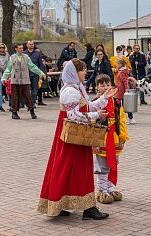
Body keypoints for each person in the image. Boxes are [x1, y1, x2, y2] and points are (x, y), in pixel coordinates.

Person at [37, 58, 116, 219]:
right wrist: (96, 115)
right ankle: (87, 208)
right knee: (76, 169)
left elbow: (86, 107)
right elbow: (73, 116)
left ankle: (64, 204)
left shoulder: (76, 88)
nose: (85, 72)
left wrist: (104, 99)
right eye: (82, 70)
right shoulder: (70, 91)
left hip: (75, 137)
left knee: (68, 169)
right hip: (72, 137)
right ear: (74, 72)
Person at [93, 74, 129, 204]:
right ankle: (102, 190)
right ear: (97, 87)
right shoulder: (94, 104)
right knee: (102, 166)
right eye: (102, 85)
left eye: (108, 84)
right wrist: (94, 143)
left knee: (113, 164)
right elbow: (91, 123)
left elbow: (122, 121)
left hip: (114, 139)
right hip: (102, 139)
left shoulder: (117, 102)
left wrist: (122, 138)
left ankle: (110, 187)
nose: (106, 87)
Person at [2, 43, 45, 120]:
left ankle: (32, 111)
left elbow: (32, 67)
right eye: (19, 48)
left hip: (25, 80)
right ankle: (14, 112)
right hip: (15, 80)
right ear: (16, 49)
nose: (21, 49)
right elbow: (8, 69)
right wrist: (4, 77)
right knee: (15, 97)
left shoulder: (26, 57)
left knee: (28, 96)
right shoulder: (12, 58)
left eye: (22, 48)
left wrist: (40, 73)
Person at [114, 58, 137, 125]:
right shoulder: (123, 71)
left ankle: (129, 119)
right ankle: (129, 118)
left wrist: (127, 90)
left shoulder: (122, 72)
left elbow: (125, 82)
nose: (116, 65)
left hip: (121, 91)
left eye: (117, 64)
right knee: (124, 105)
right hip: (121, 91)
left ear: (120, 64)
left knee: (121, 105)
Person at [24, 40, 46, 106]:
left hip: (35, 74)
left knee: (34, 89)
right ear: (27, 45)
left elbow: (40, 64)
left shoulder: (37, 53)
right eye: (30, 44)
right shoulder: (24, 53)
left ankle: (33, 103)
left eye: (32, 44)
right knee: (26, 89)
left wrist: (40, 73)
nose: (31, 45)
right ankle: (26, 102)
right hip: (26, 74)